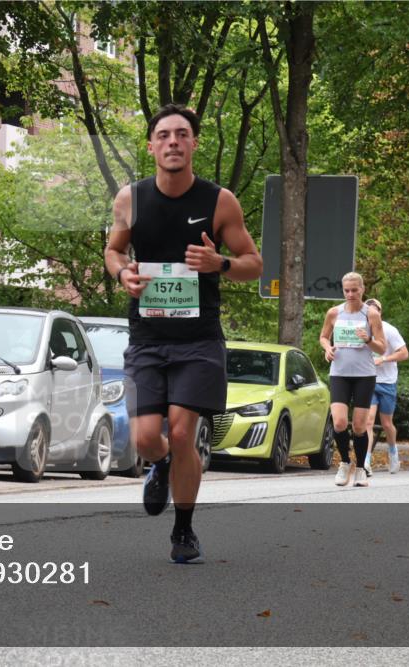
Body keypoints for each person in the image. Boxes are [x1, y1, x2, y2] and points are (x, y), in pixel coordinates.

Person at [104, 104, 263, 563]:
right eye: (164, 135)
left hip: (198, 340)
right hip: (147, 338)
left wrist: (220, 263)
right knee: (144, 438)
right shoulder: (130, 199)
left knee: (180, 429)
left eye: (181, 134)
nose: (172, 141)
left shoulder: (219, 201)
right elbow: (114, 252)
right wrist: (123, 274)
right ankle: (160, 465)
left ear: (194, 143)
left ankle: (184, 529)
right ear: (151, 146)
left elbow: (254, 264)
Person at [319, 273, 386, 488]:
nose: (350, 294)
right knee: (339, 422)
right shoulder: (334, 312)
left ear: (362, 289)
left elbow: (382, 347)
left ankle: (361, 469)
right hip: (339, 373)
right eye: (346, 290)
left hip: (364, 375)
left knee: (358, 426)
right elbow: (323, 337)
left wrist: (368, 339)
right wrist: (327, 348)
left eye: (354, 290)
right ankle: (345, 463)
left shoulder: (371, 314)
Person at [362, 298, 409, 475]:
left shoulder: (389, 330)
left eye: (375, 310)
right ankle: (366, 461)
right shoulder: (361, 331)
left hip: (387, 382)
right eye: (369, 311)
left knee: (387, 423)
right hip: (368, 380)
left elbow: (404, 353)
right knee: (368, 421)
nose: (372, 314)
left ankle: (393, 453)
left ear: (380, 313)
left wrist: (384, 359)